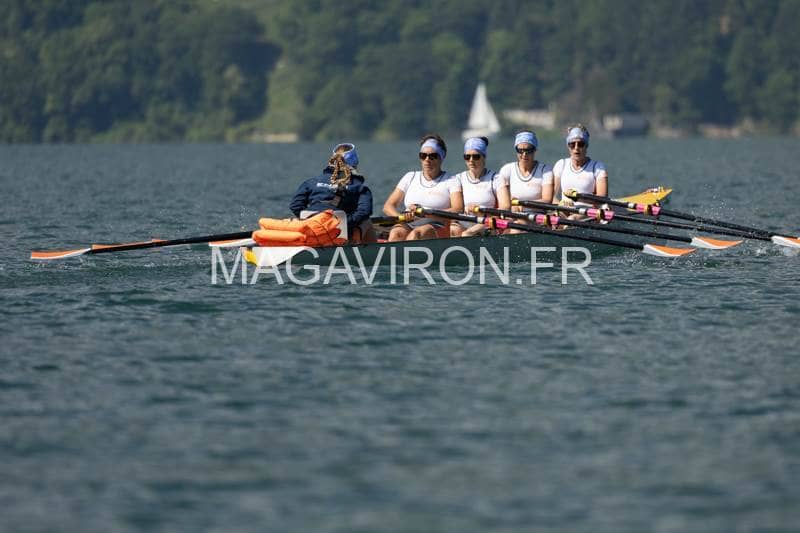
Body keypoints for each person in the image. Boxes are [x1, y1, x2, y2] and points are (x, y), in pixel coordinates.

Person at [289, 143, 376, 243]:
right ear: (355, 162)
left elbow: (295, 205)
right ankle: (369, 249)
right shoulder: (358, 186)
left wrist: (308, 219)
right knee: (367, 221)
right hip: (339, 233)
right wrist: (346, 222)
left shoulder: (311, 182)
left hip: (312, 230)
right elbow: (364, 212)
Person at [383, 134, 463, 241]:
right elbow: (388, 206)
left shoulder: (452, 180)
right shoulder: (410, 177)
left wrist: (426, 213)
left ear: (441, 158)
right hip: (409, 223)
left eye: (432, 156)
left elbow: (458, 209)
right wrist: (402, 218)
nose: (427, 159)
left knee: (416, 234)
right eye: (423, 155)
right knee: (396, 234)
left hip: (438, 225)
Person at [451, 136, 510, 237]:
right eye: (467, 157)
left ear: (484, 157)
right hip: (465, 221)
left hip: (487, 221)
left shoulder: (496, 179)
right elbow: (456, 208)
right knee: (454, 229)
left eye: (476, 156)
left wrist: (481, 211)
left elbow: (505, 207)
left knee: (467, 234)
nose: (471, 160)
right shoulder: (458, 179)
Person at [497, 131, 554, 233]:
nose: (524, 154)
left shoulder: (545, 170)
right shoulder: (506, 170)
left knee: (517, 227)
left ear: (535, 150)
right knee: (509, 226)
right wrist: (511, 205)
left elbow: (547, 200)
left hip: (538, 218)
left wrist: (523, 205)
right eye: (520, 150)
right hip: (514, 216)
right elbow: (504, 204)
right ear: (516, 150)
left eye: (528, 150)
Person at [552, 124, 608, 206]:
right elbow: (551, 196)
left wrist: (577, 198)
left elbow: (602, 198)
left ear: (586, 146)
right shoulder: (561, 165)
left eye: (580, 144)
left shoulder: (598, 167)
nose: (576, 148)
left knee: (573, 216)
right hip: (564, 209)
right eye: (572, 144)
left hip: (588, 211)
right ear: (568, 146)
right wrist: (560, 204)